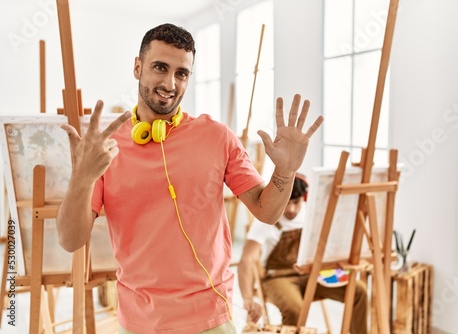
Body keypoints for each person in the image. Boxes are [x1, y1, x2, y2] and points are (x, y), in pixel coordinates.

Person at [55, 23, 323, 334]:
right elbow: (70, 240)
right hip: (139, 320)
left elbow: (267, 212)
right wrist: (82, 178)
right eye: (160, 67)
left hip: (211, 316)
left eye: (181, 73)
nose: (170, 83)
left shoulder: (217, 136)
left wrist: (285, 171)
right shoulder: (107, 146)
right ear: (137, 67)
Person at [238, 174, 368, 334]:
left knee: (358, 291)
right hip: (279, 277)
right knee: (295, 310)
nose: (291, 209)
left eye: (296, 202)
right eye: (287, 203)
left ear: (304, 198)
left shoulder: (312, 213)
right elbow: (247, 260)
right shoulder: (266, 218)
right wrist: (247, 297)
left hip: (312, 273)